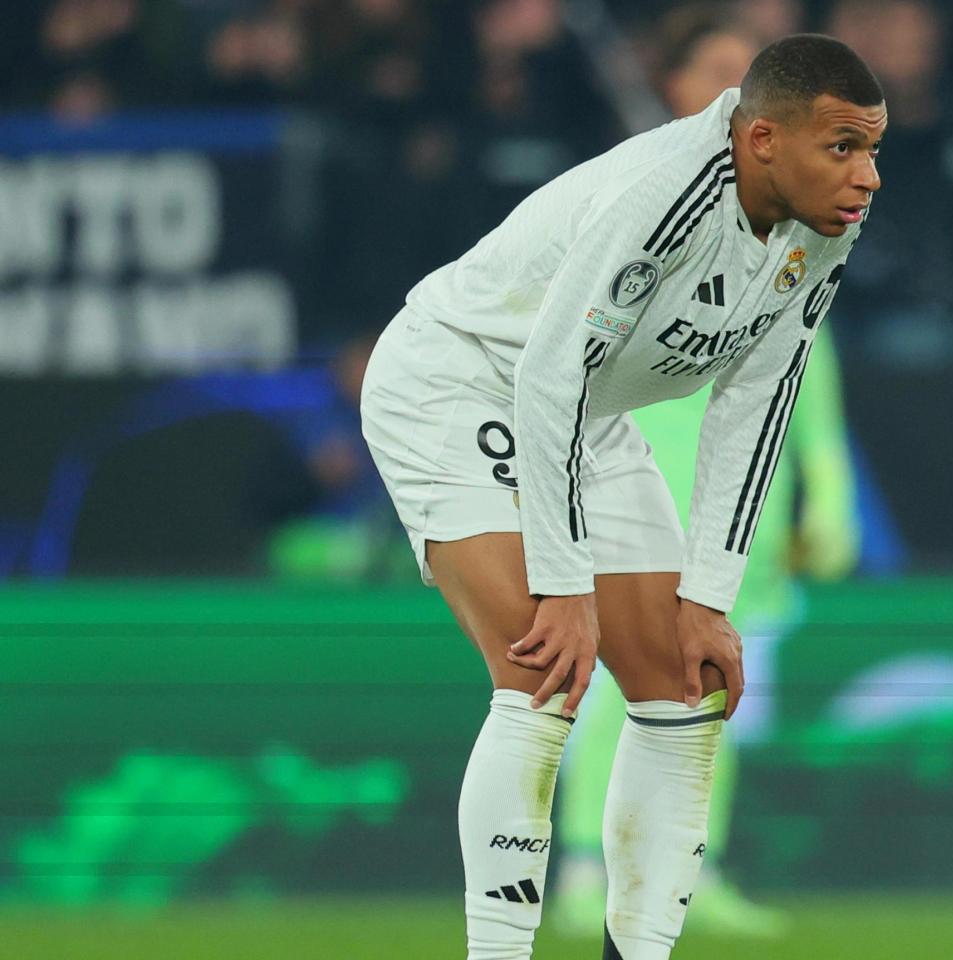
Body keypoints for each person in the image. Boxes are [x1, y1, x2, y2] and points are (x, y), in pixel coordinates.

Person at [359, 33, 884, 960]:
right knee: (541, 672)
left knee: (689, 686)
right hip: (462, 380)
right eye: (843, 146)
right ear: (763, 139)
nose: (867, 176)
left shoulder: (823, 222)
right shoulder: (667, 195)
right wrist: (566, 586)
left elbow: (759, 398)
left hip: (584, 406)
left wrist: (708, 598)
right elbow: (546, 373)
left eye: (873, 148)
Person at [550, 9, 860, 939]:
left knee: (712, 695)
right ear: (677, 85)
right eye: (718, 68)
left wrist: (828, 485)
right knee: (625, 686)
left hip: (743, 506)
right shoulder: (634, 196)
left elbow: (807, 360)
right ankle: (584, 867)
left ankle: (691, 870)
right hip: (640, 485)